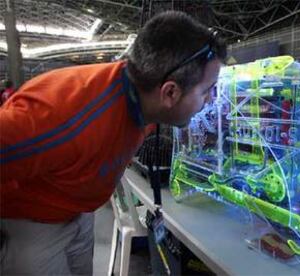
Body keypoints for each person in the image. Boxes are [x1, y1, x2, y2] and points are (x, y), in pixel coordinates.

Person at [0, 11, 227, 275]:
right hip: (33, 225)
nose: (211, 100)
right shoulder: (64, 116)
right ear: (170, 92)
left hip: (78, 213)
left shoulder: (144, 98)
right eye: (207, 90)